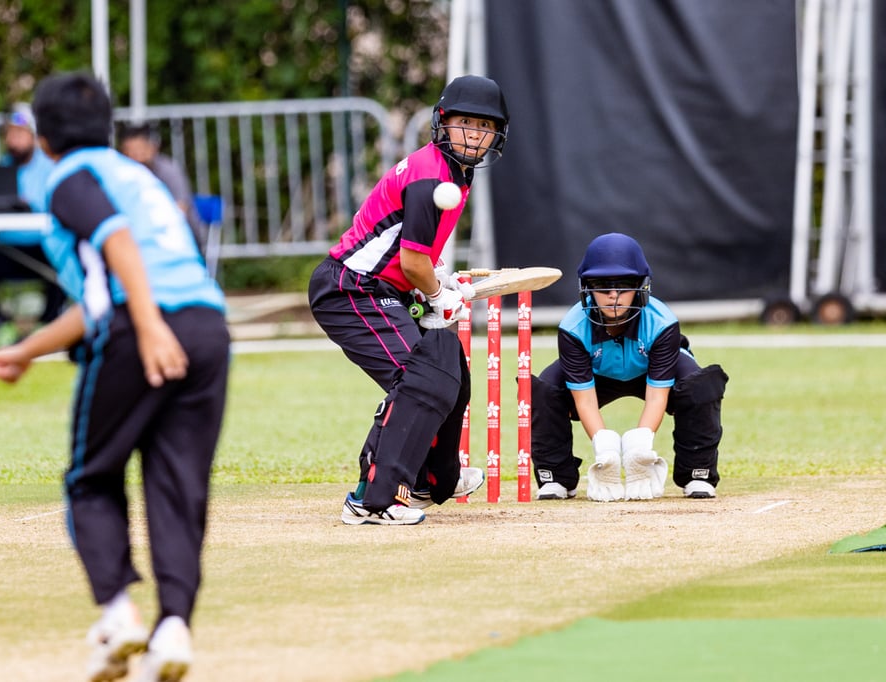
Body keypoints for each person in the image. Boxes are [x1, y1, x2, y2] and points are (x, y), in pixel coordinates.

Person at [0, 72, 228, 682]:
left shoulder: (68, 177)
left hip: (142, 326)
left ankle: (118, 615)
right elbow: (100, 289)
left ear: (41, 137)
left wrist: (146, 326)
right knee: (176, 486)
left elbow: (117, 246)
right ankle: (174, 627)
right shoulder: (135, 174)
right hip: (206, 326)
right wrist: (26, 351)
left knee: (90, 478)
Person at [308, 75, 510, 525]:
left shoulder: (454, 171)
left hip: (384, 289)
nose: (474, 134)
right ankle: (372, 499)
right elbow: (412, 260)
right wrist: (440, 295)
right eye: (465, 123)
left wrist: (437, 280)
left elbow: (417, 253)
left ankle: (429, 481)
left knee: (449, 367)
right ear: (442, 123)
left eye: (485, 126)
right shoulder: (431, 177)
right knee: (422, 379)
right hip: (351, 289)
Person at [530, 232, 729, 502]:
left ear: (641, 286)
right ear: (586, 287)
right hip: (597, 375)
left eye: (624, 285)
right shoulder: (572, 327)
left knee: (701, 384)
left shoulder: (662, 322)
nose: (614, 296)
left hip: (650, 373)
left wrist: (639, 446)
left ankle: (697, 473)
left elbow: (657, 395)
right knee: (544, 388)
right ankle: (556, 477)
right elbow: (584, 400)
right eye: (602, 286)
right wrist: (605, 447)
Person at [0, 105, 67, 348]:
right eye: (9, 134)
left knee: (67, 264)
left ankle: (47, 327)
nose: (13, 140)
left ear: (34, 136)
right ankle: (0, 324)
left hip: (43, 246)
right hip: (7, 248)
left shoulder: (52, 168)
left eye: (20, 133)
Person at [117, 123, 206, 246]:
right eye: (130, 152)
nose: (136, 156)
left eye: (140, 150)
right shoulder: (121, 173)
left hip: (178, 237)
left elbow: (180, 210)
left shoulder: (168, 170)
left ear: (153, 148)